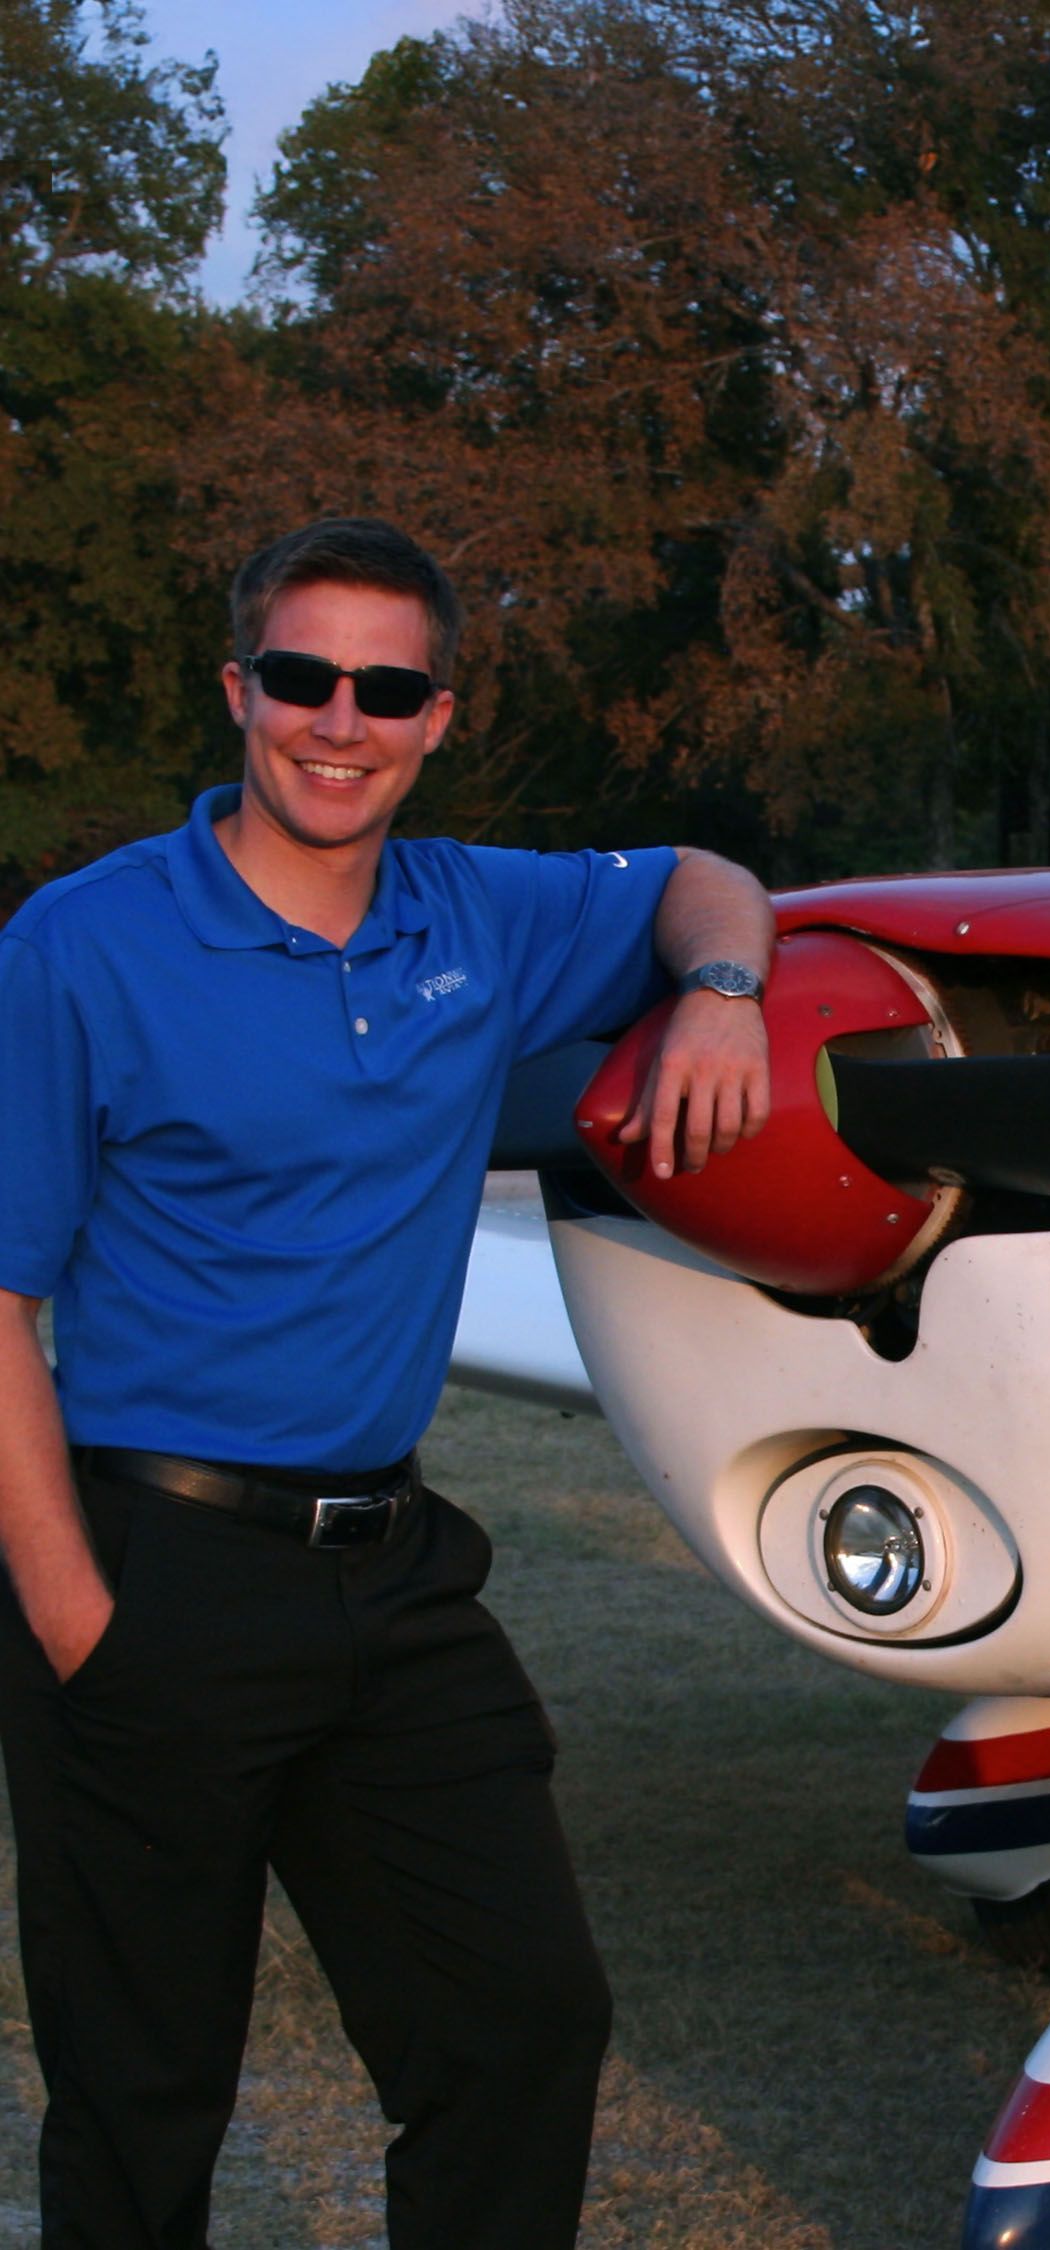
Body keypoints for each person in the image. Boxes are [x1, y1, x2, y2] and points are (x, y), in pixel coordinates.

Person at [0, 516, 774, 2249]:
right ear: (238, 691)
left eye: (385, 686)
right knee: (142, 2106)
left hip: (398, 1574)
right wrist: (74, 1617)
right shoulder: (82, 943)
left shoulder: (475, 912)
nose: (335, 722)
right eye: (299, 677)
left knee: (519, 2027)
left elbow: (696, 878)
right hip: (152, 1568)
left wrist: (723, 993)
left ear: (438, 716)